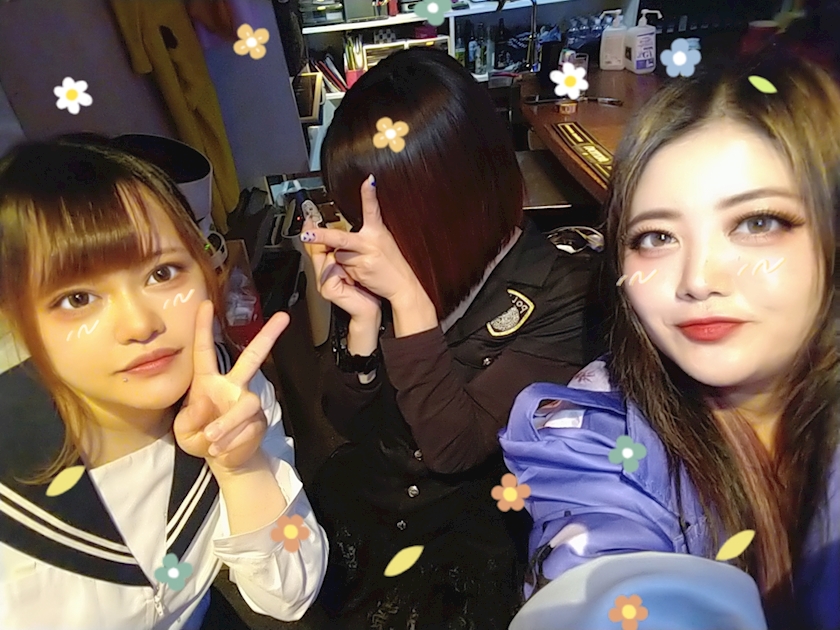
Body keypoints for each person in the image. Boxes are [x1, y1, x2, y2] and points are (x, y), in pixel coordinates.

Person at [500, 51, 840, 630]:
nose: (697, 280)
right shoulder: (595, 436)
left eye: (757, 223)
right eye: (656, 237)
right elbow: (601, 574)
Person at [298, 48, 603, 628]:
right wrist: (360, 324)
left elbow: (454, 448)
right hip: (374, 500)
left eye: (375, 215)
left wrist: (407, 302)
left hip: (469, 528)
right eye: (354, 214)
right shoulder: (394, 262)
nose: (362, 235)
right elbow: (347, 421)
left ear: (443, 203)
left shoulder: (560, 289)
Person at [0, 139, 328, 629]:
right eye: (78, 298)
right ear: (18, 319)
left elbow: (290, 594)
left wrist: (242, 469)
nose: (140, 324)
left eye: (162, 272)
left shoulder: (228, 391)